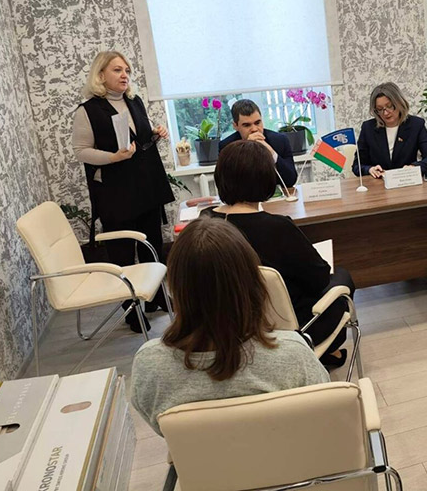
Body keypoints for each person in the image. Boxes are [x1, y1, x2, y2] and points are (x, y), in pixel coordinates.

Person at [131, 218, 329, 435]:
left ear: (176, 288)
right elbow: (324, 417)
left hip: (201, 458)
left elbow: (160, 428)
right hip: (287, 455)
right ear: (253, 282)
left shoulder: (149, 365)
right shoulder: (293, 353)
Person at [201, 140, 355, 367]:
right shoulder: (277, 227)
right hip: (285, 327)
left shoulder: (206, 220)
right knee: (342, 277)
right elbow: (319, 278)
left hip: (230, 324)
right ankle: (326, 350)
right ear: (266, 178)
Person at [72, 51, 173, 333]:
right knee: (123, 255)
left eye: (126, 70)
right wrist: (113, 157)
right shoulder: (88, 110)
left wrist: (156, 132)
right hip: (116, 194)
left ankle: (155, 298)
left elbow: (139, 139)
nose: (124, 74)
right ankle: (131, 309)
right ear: (100, 75)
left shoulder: (134, 101)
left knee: (152, 245)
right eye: (117, 70)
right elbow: (81, 151)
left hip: (146, 187)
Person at [352, 82, 427, 178]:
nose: (385, 113)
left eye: (389, 106)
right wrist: (369, 169)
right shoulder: (368, 128)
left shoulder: (416, 125)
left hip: (406, 180)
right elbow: (357, 165)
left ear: (399, 103)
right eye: (380, 109)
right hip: (379, 183)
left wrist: (413, 167)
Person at [218, 99, 297, 188]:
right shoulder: (227, 147)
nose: (254, 129)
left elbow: (291, 180)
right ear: (235, 126)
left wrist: (272, 153)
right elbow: (226, 186)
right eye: (247, 125)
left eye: (257, 123)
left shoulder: (280, 141)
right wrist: (247, 149)